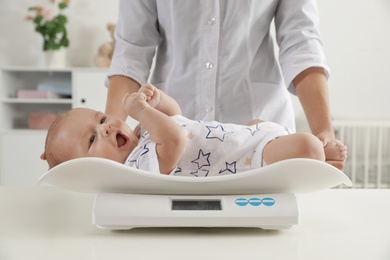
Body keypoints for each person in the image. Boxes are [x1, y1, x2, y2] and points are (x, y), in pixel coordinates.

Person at [105, 1, 347, 170]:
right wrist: (109, 136)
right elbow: (132, 49)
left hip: (263, 137)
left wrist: (323, 130)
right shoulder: (156, 142)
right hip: (173, 136)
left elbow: (301, 41)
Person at [41, 84, 346, 176]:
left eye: (103, 119)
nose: (106, 128)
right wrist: (142, 110)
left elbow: (175, 118)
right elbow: (172, 138)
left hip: (243, 136)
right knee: (307, 145)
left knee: (255, 123)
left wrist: (160, 101)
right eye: (93, 138)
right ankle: (315, 152)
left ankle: (303, 146)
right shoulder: (139, 166)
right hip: (251, 158)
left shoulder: (141, 135)